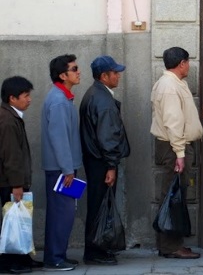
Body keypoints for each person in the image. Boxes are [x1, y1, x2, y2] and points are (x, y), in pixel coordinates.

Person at [150, 47, 203, 259]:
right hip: (174, 148)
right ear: (182, 63)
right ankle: (171, 246)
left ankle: (172, 244)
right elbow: (173, 121)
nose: (189, 66)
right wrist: (180, 152)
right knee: (173, 196)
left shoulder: (174, 83)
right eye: (188, 62)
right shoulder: (169, 86)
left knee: (176, 194)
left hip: (176, 146)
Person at [79, 56, 131, 265]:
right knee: (100, 205)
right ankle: (95, 251)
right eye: (115, 72)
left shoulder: (96, 94)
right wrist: (111, 165)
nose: (118, 76)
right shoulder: (103, 101)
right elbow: (107, 137)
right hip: (101, 162)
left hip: (95, 160)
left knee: (98, 204)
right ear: (104, 76)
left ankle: (98, 247)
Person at [41, 54, 83, 271]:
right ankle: (54, 258)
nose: (78, 72)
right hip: (61, 169)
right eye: (74, 68)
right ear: (62, 75)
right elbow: (59, 139)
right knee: (61, 214)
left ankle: (58, 255)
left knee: (64, 214)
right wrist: (68, 170)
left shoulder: (63, 97)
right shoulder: (58, 100)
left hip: (64, 168)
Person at [0, 76, 43, 274]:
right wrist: (17, 185)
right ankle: (11, 262)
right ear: (12, 98)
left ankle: (23, 258)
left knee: (20, 219)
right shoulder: (8, 120)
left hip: (14, 181)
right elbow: (12, 156)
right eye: (26, 96)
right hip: (10, 182)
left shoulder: (12, 116)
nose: (29, 99)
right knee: (13, 221)